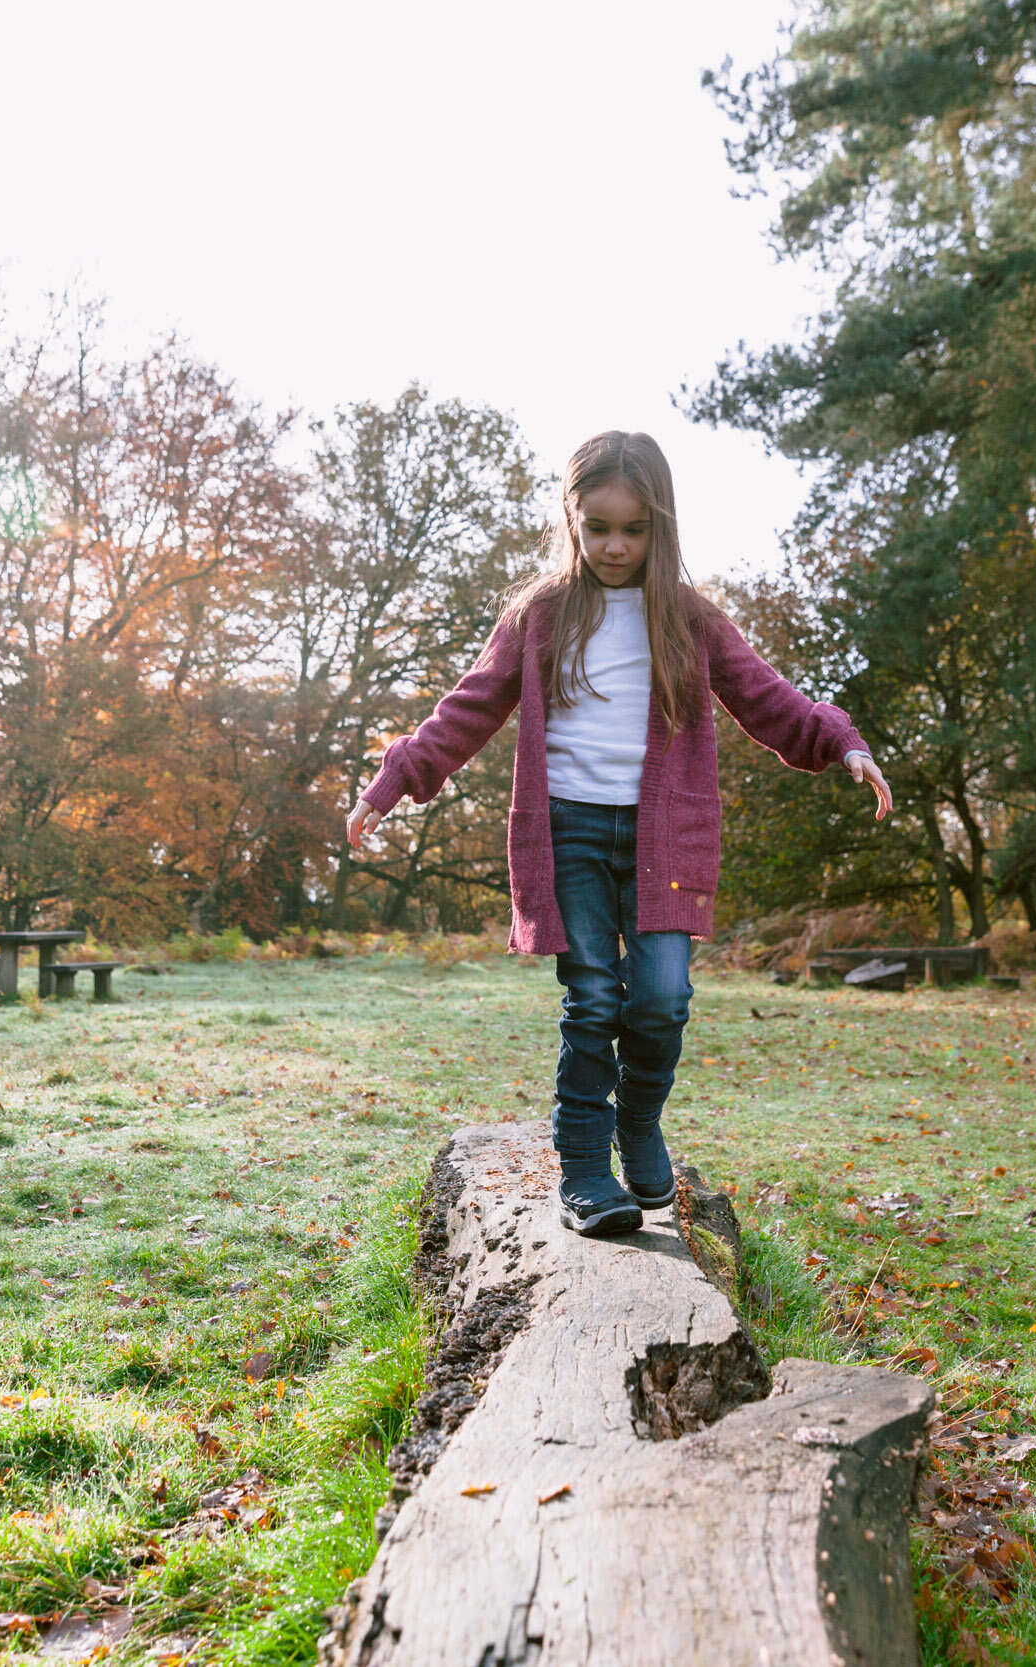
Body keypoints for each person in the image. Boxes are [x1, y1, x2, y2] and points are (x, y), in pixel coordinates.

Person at [346, 431, 891, 1237]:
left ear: (659, 527)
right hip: (566, 830)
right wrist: (393, 782)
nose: (613, 545)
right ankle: (585, 1165)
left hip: (663, 836)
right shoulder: (539, 615)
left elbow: (768, 699)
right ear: (571, 517)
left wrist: (842, 742)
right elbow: (466, 709)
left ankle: (639, 1121)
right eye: (597, 526)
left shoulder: (690, 619)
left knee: (663, 998)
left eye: (632, 529)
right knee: (594, 994)